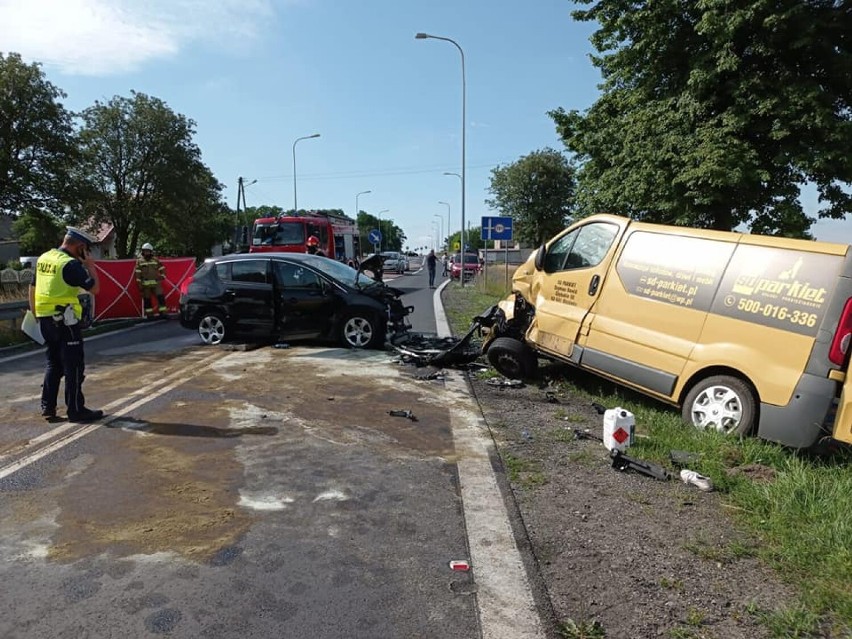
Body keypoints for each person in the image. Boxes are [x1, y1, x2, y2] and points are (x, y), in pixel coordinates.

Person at [29, 227, 103, 423]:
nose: (86, 253)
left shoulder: (44, 258)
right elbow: (94, 289)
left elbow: (32, 287)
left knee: (53, 363)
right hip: (66, 323)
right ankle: (76, 410)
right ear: (79, 246)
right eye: (85, 249)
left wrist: (36, 314)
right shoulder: (69, 265)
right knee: (74, 367)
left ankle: (48, 407)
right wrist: (90, 266)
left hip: (45, 319)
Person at [135, 243, 168, 319]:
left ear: (151, 251)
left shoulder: (155, 260)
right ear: (143, 252)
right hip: (145, 285)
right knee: (147, 300)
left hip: (156, 283)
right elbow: (138, 274)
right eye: (145, 251)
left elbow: (162, 269)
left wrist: (162, 277)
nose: (147, 253)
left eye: (148, 251)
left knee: (160, 297)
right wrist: (139, 284)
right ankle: (149, 315)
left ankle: (163, 313)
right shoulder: (140, 261)